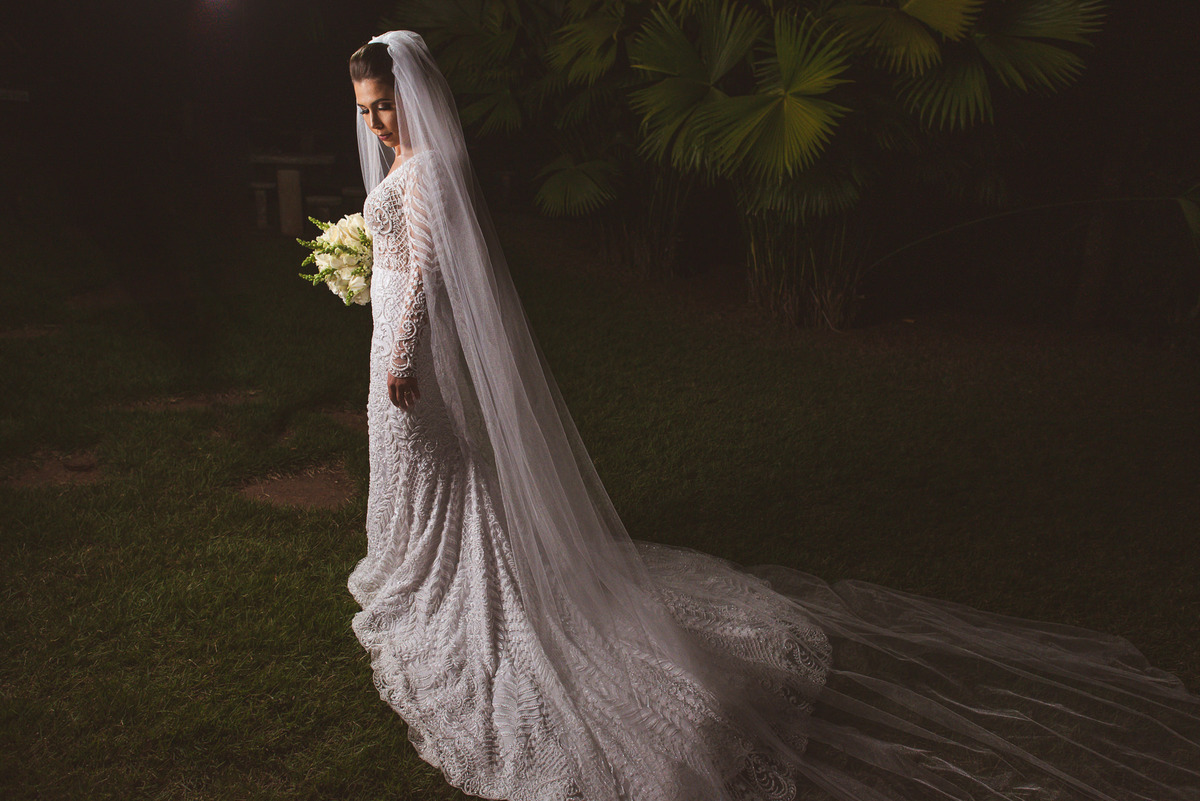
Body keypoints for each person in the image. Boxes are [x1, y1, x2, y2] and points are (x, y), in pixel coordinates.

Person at [344, 30, 1200, 801]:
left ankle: (444, 579)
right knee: (438, 468)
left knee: (437, 461)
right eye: (367, 112)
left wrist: (400, 357)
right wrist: (359, 270)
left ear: (413, 97)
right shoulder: (413, 165)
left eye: (385, 108)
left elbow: (421, 272)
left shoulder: (424, 172)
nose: (378, 125)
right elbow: (399, 261)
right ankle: (423, 559)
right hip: (398, 345)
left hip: (404, 360)